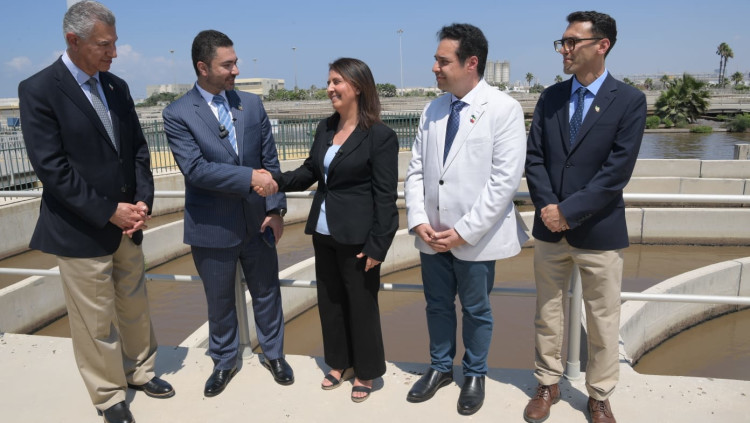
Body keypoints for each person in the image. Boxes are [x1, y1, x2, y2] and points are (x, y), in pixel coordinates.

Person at [18, 2, 174, 422]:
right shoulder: (39, 89)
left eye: (115, 43)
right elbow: (52, 169)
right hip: (81, 228)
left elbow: (137, 150)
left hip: (128, 223)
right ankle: (108, 396)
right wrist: (108, 211)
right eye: (105, 45)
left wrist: (142, 201)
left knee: (135, 304)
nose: (114, 53)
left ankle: (140, 372)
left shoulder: (116, 87)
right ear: (73, 40)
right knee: (95, 319)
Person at [523, 11, 646, 423]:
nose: (564, 49)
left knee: (603, 320)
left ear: (602, 45)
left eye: (573, 41)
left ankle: (599, 395)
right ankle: (547, 383)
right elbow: (534, 159)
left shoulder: (629, 101)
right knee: (547, 313)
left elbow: (616, 172)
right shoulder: (551, 98)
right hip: (549, 228)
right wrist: (549, 209)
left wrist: (568, 212)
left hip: (599, 229)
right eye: (562, 42)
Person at [403, 23, 528, 416]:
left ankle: (474, 374)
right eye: (436, 60)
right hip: (431, 232)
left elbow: (503, 182)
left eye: (443, 61)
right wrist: (418, 219)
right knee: (437, 305)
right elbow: (417, 171)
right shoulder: (433, 109)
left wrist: (463, 232)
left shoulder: (504, 109)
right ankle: (440, 367)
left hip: (476, 236)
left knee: (476, 309)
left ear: (471, 63)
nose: (435, 68)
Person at [258, 57, 399, 403]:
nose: (330, 88)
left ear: (358, 87)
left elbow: (385, 198)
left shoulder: (380, 136)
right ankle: (339, 363)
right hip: (323, 234)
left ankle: (365, 370)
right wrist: (275, 181)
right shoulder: (325, 128)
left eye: (337, 82)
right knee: (330, 301)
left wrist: (378, 245)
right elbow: (310, 171)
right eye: (329, 82)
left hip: (358, 238)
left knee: (361, 306)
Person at [163, 29, 293, 397]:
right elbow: (196, 169)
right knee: (219, 300)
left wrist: (276, 209)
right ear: (203, 67)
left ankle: (275, 355)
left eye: (235, 62)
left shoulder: (251, 105)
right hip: (212, 225)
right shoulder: (177, 113)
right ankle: (224, 361)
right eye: (227, 64)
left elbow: (270, 161)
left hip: (258, 221)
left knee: (267, 293)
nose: (236, 70)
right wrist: (250, 178)